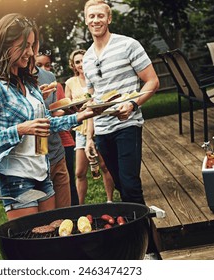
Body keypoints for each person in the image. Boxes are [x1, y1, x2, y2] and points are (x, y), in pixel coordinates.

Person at [0, 13, 94, 220]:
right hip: (17, 178)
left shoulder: (28, 81)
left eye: (31, 46)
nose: (30, 53)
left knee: (51, 233)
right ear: (6, 44)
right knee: (34, 242)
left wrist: (80, 117)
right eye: (25, 46)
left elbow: (45, 123)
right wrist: (20, 130)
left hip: (41, 171)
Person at [82, 0, 160, 205]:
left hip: (127, 125)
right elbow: (91, 101)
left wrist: (133, 104)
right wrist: (89, 137)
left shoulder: (128, 45)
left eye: (100, 15)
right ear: (85, 20)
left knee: (130, 185)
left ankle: (145, 236)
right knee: (119, 185)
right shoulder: (87, 58)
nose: (96, 20)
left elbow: (152, 81)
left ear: (109, 18)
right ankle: (136, 231)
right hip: (102, 130)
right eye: (91, 16)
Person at [65, 49, 115, 204]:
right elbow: (66, 105)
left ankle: (110, 200)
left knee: (104, 166)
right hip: (81, 130)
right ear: (73, 65)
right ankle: (80, 206)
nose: (81, 64)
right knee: (80, 172)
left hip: (99, 126)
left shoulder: (96, 78)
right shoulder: (70, 83)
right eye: (77, 62)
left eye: (83, 60)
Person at [36, 46, 79, 206]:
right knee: (45, 199)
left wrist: (74, 113)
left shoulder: (50, 78)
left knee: (66, 195)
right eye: (39, 64)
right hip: (36, 151)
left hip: (57, 146)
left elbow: (54, 111)